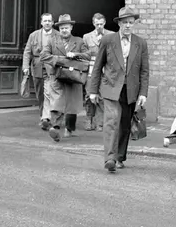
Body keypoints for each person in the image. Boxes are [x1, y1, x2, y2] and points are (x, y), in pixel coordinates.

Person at [89, 6, 149, 173]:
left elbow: (144, 71)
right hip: (110, 87)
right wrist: (93, 90)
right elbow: (97, 66)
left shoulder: (140, 43)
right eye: (125, 22)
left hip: (131, 90)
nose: (128, 25)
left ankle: (120, 156)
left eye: (131, 22)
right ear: (119, 23)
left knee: (124, 125)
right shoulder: (108, 40)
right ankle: (110, 158)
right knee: (111, 121)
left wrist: (143, 93)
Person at [40, 14, 90, 142]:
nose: (64, 30)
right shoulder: (52, 41)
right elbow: (43, 56)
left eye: (66, 28)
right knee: (57, 102)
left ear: (71, 28)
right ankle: (55, 128)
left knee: (72, 104)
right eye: (62, 28)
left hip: (74, 77)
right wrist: (60, 60)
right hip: (58, 76)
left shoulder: (79, 41)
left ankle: (69, 128)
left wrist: (76, 54)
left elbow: (88, 55)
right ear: (59, 29)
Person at [22, 13, 59, 131]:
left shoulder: (58, 35)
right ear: (41, 22)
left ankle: (47, 118)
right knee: (40, 93)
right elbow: (27, 52)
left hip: (51, 67)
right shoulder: (34, 35)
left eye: (49, 21)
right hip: (37, 66)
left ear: (52, 23)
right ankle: (43, 116)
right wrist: (25, 67)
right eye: (45, 21)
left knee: (50, 92)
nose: (47, 23)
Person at [83, 13, 112, 131]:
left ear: (104, 23)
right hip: (91, 69)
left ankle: (100, 122)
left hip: (105, 69)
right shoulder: (87, 37)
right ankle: (89, 119)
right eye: (97, 24)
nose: (99, 26)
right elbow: (85, 54)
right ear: (93, 23)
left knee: (102, 96)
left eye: (101, 24)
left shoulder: (111, 35)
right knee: (89, 95)